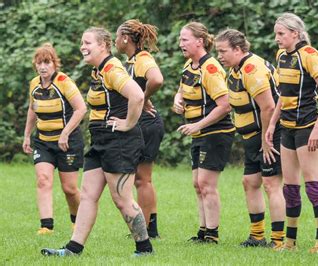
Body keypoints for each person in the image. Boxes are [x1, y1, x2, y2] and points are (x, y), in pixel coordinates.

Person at [41, 27, 153, 256]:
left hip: (119, 141)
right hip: (101, 140)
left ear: (103, 45)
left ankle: (145, 248)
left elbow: (138, 95)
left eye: (87, 42)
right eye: (82, 42)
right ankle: (73, 249)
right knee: (88, 194)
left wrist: (128, 123)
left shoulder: (112, 68)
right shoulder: (98, 70)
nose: (83, 46)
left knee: (122, 199)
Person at [265, 13, 318, 253]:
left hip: (307, 126)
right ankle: (290, 243)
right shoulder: (281, 56)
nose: (277, 39)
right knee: (290, 187)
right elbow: (283, 94)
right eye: (276, 34)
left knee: (312, 184)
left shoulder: (310, 55)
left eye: (281, 34)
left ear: (295, 33)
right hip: (287, 127)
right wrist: (273, 123)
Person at [215, 29, 286, 248]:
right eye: (217, 51)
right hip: (251, 136)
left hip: (267, 135)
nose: (219, 56)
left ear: (238, 49)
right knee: (250, 182)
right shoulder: (235, 70)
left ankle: (278, 241)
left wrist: (267, 139)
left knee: (271, 184)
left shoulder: (251, 69)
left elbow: (268, 107)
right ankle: (257, 236)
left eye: (223, 51)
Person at [173, 22, 235, 244]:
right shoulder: (190, 65)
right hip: (200, 134)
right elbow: (182, 88)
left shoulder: (210, 68)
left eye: (185, 39)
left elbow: (225, 105)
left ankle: (212, 234)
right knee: (198, 184)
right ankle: (203, 231)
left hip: (216, 132)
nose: (181, 44)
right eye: (180, 40)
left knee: (207, 184)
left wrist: (198, 125)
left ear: (199, 41)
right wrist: (177, 100)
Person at [23, 43, 86, 235]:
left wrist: (65, 133)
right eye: (39, 63)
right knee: (43, 180)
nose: (43, 67)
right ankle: (46, 226)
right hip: (43, 141)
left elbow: (81, 109)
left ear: (54, 64)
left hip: (68, 141)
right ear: (35, 65)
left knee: (69, 188)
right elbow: (33, 110)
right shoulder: (34, 84)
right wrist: (27, 135)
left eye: (47, 62)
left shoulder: (64, 82)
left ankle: (77, 220)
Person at [115, 19, 165, 239]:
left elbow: (157, 79)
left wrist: (143, 98)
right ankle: (150, 228)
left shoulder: (142, 58)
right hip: (142, 123)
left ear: (125, 38)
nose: (115, 41)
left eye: (116, 36)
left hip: (147, 123)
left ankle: (147, 229)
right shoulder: (131, 61)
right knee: (141, 178)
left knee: (142, 179)